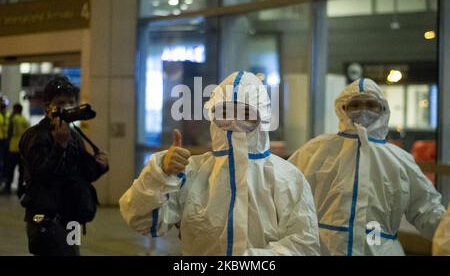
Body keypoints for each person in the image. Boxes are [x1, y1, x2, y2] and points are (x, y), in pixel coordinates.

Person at [120, 71, 320, 256]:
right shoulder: (191, 172)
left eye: (245, 114)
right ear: (212, 116)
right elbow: (143, 221)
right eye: (224, 113)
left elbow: (304, 244)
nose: (233, 122)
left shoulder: (287, 177)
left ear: (263, 117)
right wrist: (160, 173)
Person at [289, 78, 445, 256]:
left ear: (383, 109)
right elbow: (283, 198)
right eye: (355, 104)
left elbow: (427, 210)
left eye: (371, 104)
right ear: (343, 108)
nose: (363, 110)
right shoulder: (314, 151)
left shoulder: (400, 160)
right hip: (323, 249)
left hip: (378, 248)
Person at [19, 76, 109, 256]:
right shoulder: (36, 135)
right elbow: (40, 175)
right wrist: (59, 146)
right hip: (46, 220)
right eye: (61, 102)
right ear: (47, 106)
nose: (67, 106)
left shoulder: (73, 135)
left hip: (72, 218)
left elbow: (82, 175)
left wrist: (100, 166)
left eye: (71, 102)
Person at [0, 103, 30, 196]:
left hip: (13, 147)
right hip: (22, 148)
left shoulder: (13, 119)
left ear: (16, 110)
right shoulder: (25, 120)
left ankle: (7, 188)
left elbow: (9, 132)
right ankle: (20, 188)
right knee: (21, 170)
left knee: (10, 168)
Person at [0, 96, 10, 187]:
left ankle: (3, 179)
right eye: (2, 106)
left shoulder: (7, 116)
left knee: (5, 161)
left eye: (4, 106)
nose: (3, 108)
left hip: (5, 140)